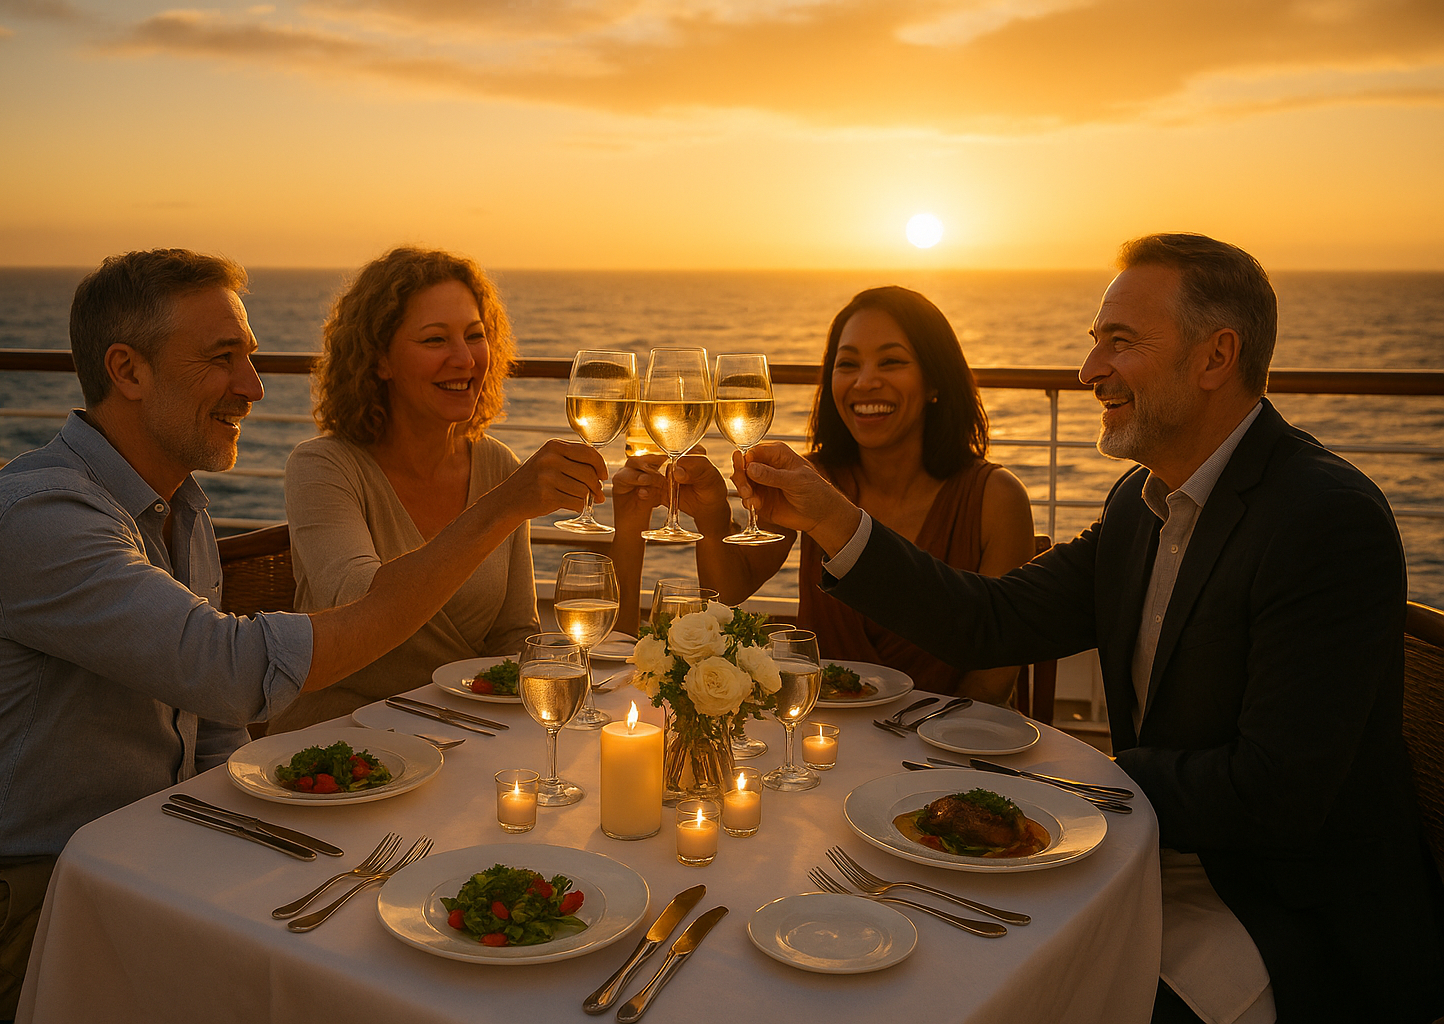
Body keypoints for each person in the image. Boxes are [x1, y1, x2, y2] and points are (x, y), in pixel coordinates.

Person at [733, 234, 1444, 1023]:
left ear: (1216, 357)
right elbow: (987, 621)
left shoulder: (1322, 519)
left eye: (1119, 342)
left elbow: (1273, 797)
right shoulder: (1137, 507)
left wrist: (1065, 790)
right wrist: (835, 520)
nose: (1087, 371)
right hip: (1155, 856)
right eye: (1092, 342)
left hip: (1278, 910)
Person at [0, 249, 604, 1021]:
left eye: (251, 356)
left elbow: (211, 739)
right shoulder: (42, 520)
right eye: (222, 358)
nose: (254, 386)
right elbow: (231, 672)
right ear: (127, 371)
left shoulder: (181, 509)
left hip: (152, 858)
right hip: (20, 914)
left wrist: (261, 855)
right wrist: (504, 506)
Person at [611, 286, 1034, 704]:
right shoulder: (809, 478)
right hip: (823, 739)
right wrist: (711, 514)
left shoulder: (995, 497)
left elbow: (992, 684)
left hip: (940, 749)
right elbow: (731, 589)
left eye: (891, 361)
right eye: (847, 364)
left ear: (935, 380)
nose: (865, 382)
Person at [269, 248, 538, 731]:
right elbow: (359, 602)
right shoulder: (323, 467)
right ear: (380, 361)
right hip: (336, 755)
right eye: (435, 339)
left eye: (476, 336)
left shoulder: (497, 465)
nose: (464, 358)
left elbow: (514, 636)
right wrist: (503, 507)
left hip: (463, 740)